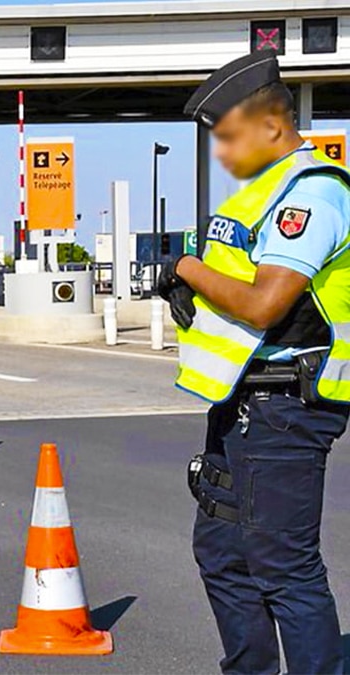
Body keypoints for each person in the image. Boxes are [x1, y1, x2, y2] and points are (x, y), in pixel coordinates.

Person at [158, 51, 350, 674]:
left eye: (230, 137)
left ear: (271, 124)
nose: (223, 152)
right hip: (242, 401)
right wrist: (193, 285)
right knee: (222, 556)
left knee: (284, 569)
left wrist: (185, 268)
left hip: (288, 406)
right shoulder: (259, 194)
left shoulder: (314, 193)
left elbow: (267, 303)